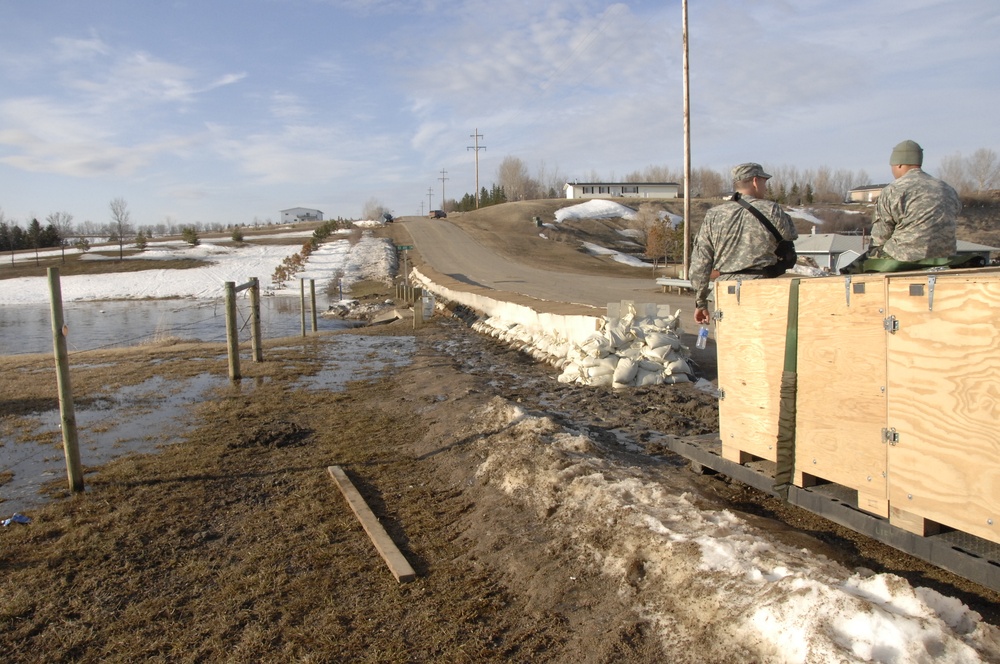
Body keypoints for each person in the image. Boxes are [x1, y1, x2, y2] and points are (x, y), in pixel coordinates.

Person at [690, 162, 798, 325]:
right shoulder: (772, 210)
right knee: (766, 343)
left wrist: (701, 302)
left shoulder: (713, 215)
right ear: (755, 181)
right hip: (762, 289)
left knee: (729, 345)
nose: (765, 187)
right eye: (764, 182)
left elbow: (700, 264)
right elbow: (790, 235)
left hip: (725, 291)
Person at [869, 140, 961, 261]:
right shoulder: (948, 189)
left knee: (860, 263)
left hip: (903, 258)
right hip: (944, 257)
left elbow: (880, 237)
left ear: (899, 164)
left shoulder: (893, 190)